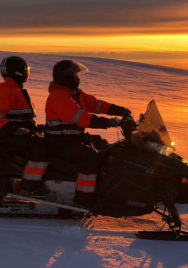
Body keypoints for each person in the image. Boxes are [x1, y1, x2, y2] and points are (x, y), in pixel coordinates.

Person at [45, 60, 131, 208]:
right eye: (75, 76)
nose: (78, 79)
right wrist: (109, 123)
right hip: (58, 143)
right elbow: (80, 117)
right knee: (90, 157)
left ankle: (104, 188)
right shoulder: (58, 96)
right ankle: (83, 198)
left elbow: (95, 104)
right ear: (66, 77)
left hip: (72, 139)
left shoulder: (74, 94)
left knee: (105, 148)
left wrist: (119, 110)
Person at [0, 56, 48, 195]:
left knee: (46, 143)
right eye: (25, 70)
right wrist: (14, 129)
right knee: (40, 148)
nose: (27, 72)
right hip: (10, 135)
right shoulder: (6, 91)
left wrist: (37, 127)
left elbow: (23, 117)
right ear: (17, 71)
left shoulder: (16, 90)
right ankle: (30, 186)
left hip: (20, 133)